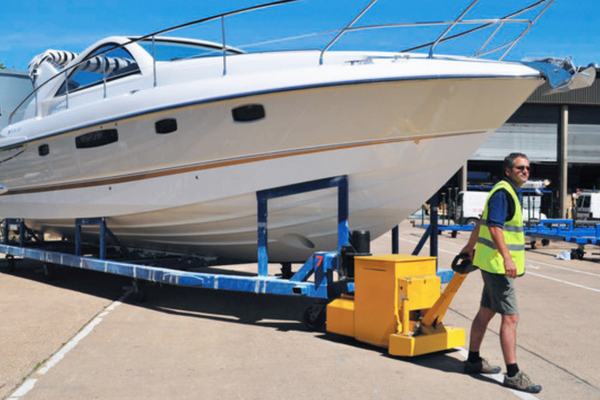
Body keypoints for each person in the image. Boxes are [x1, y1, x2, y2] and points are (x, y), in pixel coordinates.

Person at [460, 152, 542, 394]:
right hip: (497, 266)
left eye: (527, 168)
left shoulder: (506, 191)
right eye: (520, 168)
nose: (525, 171)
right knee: (511, 318)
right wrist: (507, 258)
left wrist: (469, 246)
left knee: (486, 311)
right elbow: (494, 228)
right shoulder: (503, 192)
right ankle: (513, 374)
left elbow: (481, 222)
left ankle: (473, 361)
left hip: (491, 264)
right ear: (508, 170)